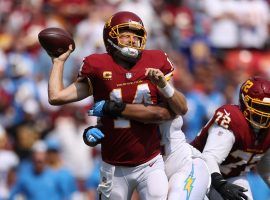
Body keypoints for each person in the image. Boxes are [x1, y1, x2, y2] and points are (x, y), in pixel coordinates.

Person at [48, 11, 177, 200]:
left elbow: (173, 110)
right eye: (125, 34)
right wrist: (58, 62)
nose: (132, 40)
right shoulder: (98, 65)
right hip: (113, 166)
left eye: (137, 35)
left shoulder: (155, 61)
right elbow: (56, 97)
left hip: (150, 161)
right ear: (110, 37)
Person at [85, 68, 210, 200]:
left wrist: (115, 108)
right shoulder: (123, 101)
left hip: (182, 165)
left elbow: (167, 112)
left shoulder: (166, 103)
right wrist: (89, 134)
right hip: (151, 173)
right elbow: (104, 128)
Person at [191, 76, 270, 200]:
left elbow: (267, 170)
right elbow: (209, 157)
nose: (264, 115)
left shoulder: (267, 132)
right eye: (259, 107)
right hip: (196, 170)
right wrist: (222, 185)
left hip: (232, 177)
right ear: (245, 102)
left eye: (268, 109)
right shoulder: (233, 119)